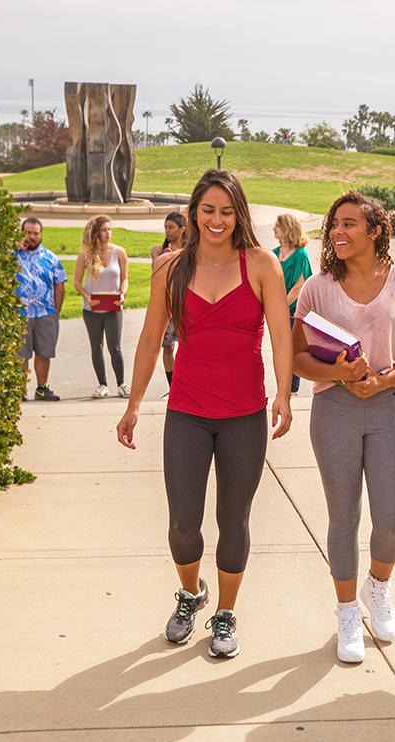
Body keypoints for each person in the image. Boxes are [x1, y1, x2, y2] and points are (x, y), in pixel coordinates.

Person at [116, 170, 294, 658]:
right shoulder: (170, 267)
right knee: (182, 523)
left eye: (227, 211)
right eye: (208, 209)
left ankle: (226, 615)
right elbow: (152, 339)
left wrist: (284, 393)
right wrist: (133, 406)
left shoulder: (261, 264)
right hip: (187, 413)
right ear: (195, 211)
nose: (217, 220)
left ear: (240, 214)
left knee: (233, 519)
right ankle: (192, 595)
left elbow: (282, 334)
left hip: (244, 414)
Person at [292, 191, 395, 663]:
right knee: (344, 517)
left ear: (376, 231)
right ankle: (348, 611)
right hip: (335, 408)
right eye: (334, 224)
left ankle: (379, 587)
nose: (338, 232)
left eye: (350, 223)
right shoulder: (316, 287)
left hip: (388, 404)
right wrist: (341, 374)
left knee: (391, 518)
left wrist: (385, 379)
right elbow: (297, 357)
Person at [74, 215, 130, 398]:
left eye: (109, 229)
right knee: (96, 347)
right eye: (104, 230)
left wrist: (122, 294)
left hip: (113, 308)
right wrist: (87, 298)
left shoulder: (119, 252)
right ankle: (102, 384)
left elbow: (125, 279)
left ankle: (122, 384)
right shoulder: (85, 255)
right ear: (96, 233)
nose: (108, 233)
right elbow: (77, 282)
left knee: (115, 347)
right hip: (92, 310)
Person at [13, 217, 67, 401]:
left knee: (44, 353)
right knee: (21, 354)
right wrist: (13, 245)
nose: (32, 236)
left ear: (41, 235)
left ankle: (42, 388)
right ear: (22, 233)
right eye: (28, 232)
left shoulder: (50, 258)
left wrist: (56, 310)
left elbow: (59, 283)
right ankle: (19, 390)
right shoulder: (13, 255)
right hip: (20, 314)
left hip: (45, 313)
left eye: (36, 233)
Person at [273, 213, 314, 395]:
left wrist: (281, 307)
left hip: (293, 309)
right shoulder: (274, 253)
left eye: (277, 226)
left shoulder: (300, 254)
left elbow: (299, 286)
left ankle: (292, 388)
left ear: (287, 229)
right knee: (279, 347)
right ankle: (283, 385)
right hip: (278, 307)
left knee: (290, 347)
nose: (274, 228)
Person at [153, 211, 188, 395]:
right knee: (167, 348)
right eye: (165, 227)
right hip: (167, 306)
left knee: (187, 347)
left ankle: (186, 386)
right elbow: (156, 277)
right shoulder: (158, 251)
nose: (167, 231)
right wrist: (165, 260)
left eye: (171, 227)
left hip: (186, 305)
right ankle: (172, 388)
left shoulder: (192, 251)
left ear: (182, 229)